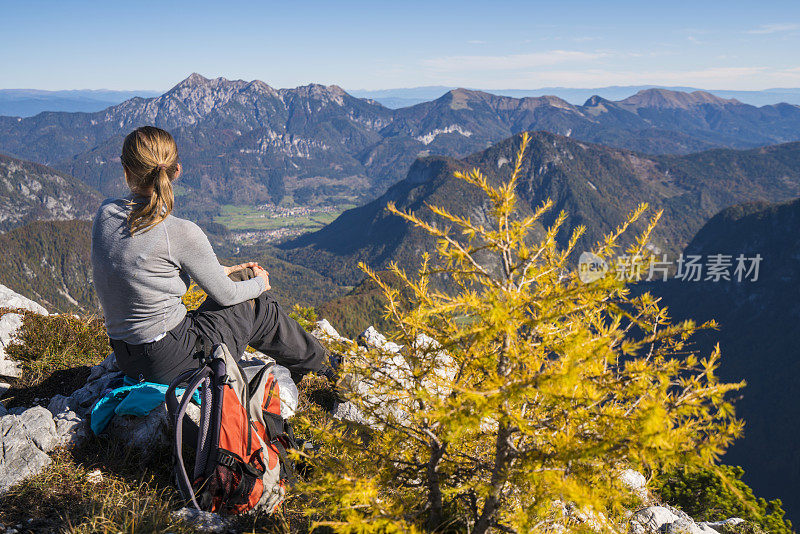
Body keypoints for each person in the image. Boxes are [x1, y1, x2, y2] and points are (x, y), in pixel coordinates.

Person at [91, 125, 333, 385]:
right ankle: (325, 369)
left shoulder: (105, 214)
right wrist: (260, 282)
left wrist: (224, 271)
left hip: (128, 357)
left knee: (241, 279)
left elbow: (149, 269)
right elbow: (226, 295)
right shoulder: (180, 231)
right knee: (258, 304)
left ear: (126, 170)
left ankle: (308, 365)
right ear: (177, 170)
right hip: (171, 361)